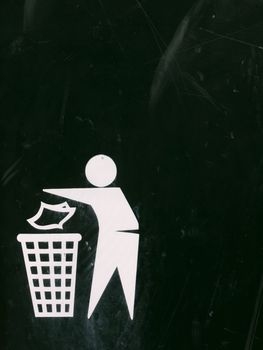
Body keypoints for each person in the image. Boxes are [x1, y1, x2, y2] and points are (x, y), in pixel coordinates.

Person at [44, 154, 139, 319]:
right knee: (112, 284)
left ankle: (119, 315)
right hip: (122, 234)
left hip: (119, 236)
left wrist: (52, 190)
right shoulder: (114, 194)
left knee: (110, 282)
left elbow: (82, 195)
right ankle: (115, 314)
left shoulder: (111, 195)